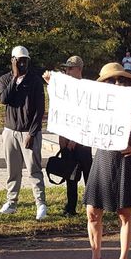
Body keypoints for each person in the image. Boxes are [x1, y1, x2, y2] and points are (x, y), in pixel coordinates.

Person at [80, 63, 131, 259]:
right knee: (92, 211)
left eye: (120, 80)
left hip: (125, 160)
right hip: (102, 158)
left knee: (124, 213)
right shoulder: (97, 104)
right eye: (110, 81)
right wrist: (55, 86)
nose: (116, 84)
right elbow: (75, 108)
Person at [0, 45, 47, 220]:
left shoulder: (35, 80)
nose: (23, 64)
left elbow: (39, 110)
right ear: (13, 61)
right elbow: (4, 99)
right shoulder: (5, 79)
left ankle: (40, 204)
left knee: (34, 169)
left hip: (28, 131)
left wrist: (32, 134)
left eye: (25, 61)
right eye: (20, 61)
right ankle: (11, 202)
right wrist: (15, 78)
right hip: (10, 130)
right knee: (13, 170)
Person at [43, 56, 93, 216]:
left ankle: (93, 206)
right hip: (66, 140)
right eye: (66, 68)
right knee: (69, 174)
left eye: (70, 68)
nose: (67, 71)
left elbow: (87, 116)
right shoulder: (65, 89)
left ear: (79, 69)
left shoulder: (86, 88)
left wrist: (75, 138)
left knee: (88, 175)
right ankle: (71, 207)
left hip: (83, 141)